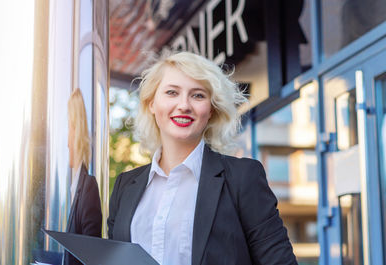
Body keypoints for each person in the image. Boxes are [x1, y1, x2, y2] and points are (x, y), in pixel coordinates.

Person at [108, 52, 297, 265]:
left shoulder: (242, 178)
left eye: (198, 95)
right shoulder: (125, 187)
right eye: (172, 92)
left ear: (211, 110)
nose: (184, 105)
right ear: (152, 103)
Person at [64, 88, 102, 265]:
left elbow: (90, 253)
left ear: (75, 130)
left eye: (68, 129)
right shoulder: (74, 186)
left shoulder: (88, 186)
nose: (66, 142)